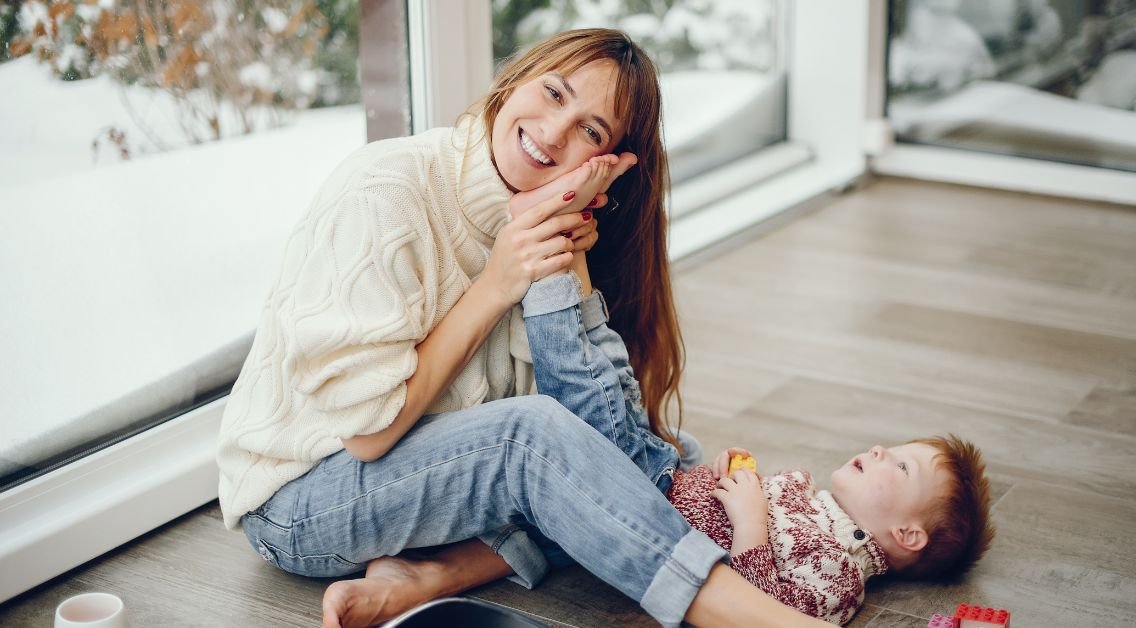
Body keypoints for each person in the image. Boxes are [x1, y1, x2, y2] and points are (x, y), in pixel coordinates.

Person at [217, 28, 833, 628]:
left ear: (608, 165)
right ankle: (752, 618)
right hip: (300, 501)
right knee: (539, 444)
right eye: (554, 92)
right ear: (513, 80)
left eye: (591, 131)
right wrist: (497, 282)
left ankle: (432, 576)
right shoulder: (385, 190)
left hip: (417, 479)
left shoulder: (540, 218)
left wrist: (565, 249)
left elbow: (600, 432)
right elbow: (368, 435)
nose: (554, 132)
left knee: (660, 461)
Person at [492, 197, 995, 626]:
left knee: (587, 390)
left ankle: (546, 265)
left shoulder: (840, 580)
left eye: (902, 467)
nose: (882, 450)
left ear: (908, 535)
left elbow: (754, 609)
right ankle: (568, 246)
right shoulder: (814, 505)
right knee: (619, 381)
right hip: (663, 480)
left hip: (642, 505)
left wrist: (750, 517)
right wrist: (725, 479)